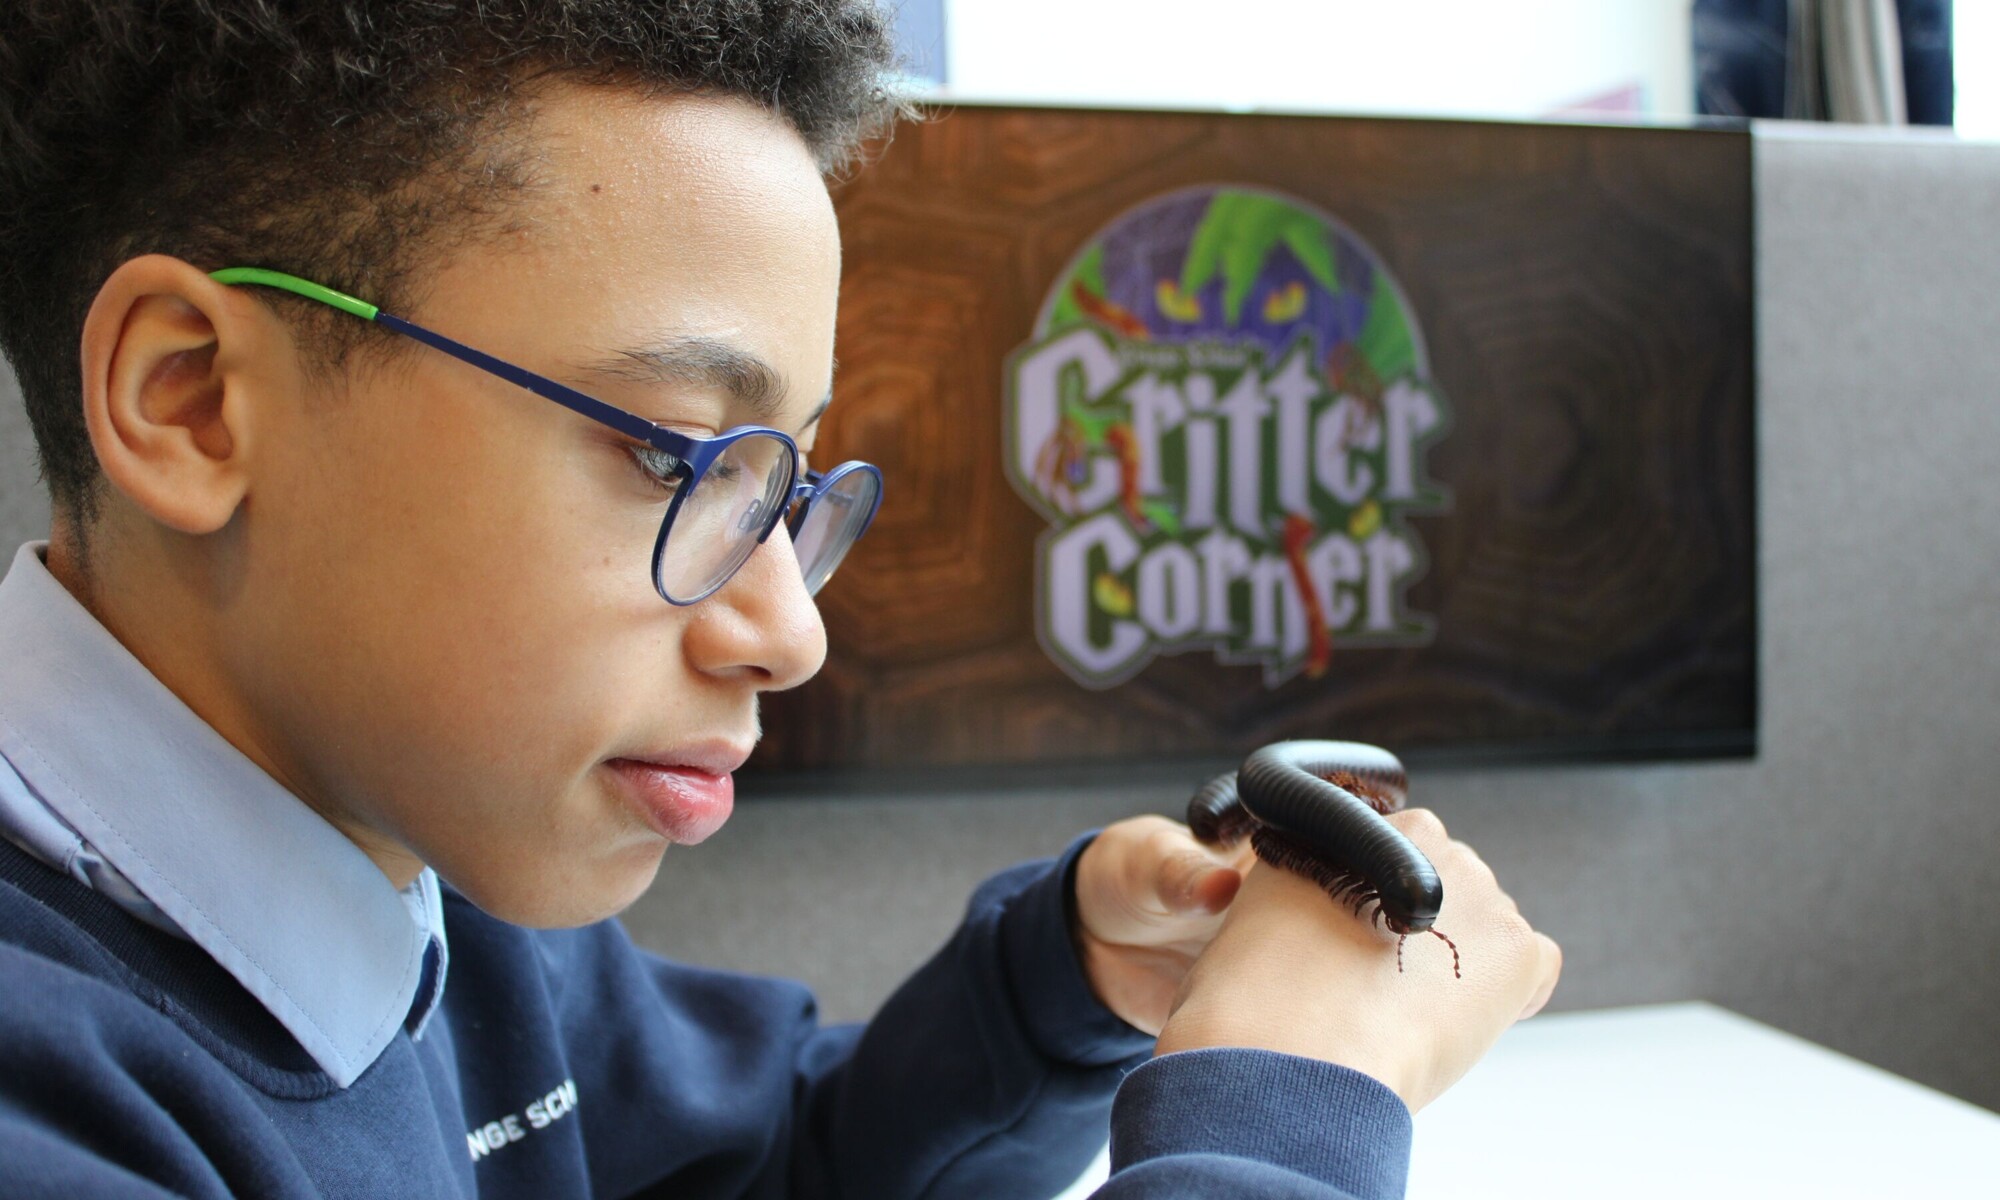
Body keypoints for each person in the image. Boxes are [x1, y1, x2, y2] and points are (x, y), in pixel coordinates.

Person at [0, 4, 1561, 1197]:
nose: (787, 631)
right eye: (665, 453)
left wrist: (1066, 985)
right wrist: (1278, 1117)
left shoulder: (426, 855)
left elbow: (756, 1167)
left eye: (782, 483)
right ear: (193, 401)